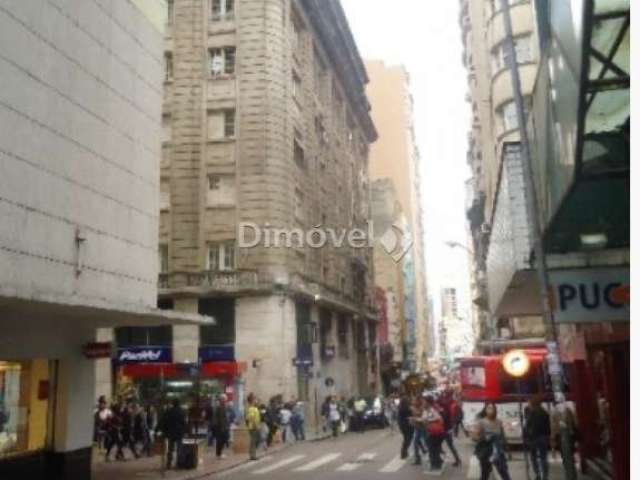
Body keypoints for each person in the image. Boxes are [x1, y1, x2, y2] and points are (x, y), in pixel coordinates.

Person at [472, 402, 512, 480]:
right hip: (485, 451)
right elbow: (476, 436)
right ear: (485, 410)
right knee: (485, 474)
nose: (491, 410)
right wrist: (484, 436)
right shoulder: (481, 422)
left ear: (495, 410)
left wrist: (507, 450)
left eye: (492, 408)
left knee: (504, 472)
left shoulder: (499, 422)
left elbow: (503, 436)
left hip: (498, 451)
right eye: (489, 408)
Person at [524, 396, 551, 480]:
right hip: (543, 437)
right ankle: (545, 476)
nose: (527, 403)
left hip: (534, 438)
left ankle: (538, 474)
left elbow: (528, 426)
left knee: (533, 457)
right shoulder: (544, 412)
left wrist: (526, 436)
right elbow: (547, 426)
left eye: (528, 402)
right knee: (543, 458)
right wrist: (548, 436)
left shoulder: (531, 413)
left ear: (532, 403)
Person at [550, 403, 578, 480]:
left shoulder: (554, 412)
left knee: (565, 458)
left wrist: (553, 443)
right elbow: (575, 422)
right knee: (571, 456)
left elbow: (553, 427)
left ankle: (569, 475)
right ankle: (573, 475)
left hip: (560, 437)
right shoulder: (568, 410)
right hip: (570, 436)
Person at [422, 396, 446, 472]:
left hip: (435, 432)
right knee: (434, 449)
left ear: (428, 403)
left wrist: (429, 421)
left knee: (432, 449)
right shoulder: (426, 410)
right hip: (431, 431)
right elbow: (424, 419)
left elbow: (440, 419)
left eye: (424, 402)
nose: (423, 403)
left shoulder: (433, 409)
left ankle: (434, 465)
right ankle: (438, 462)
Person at [162, 398, 187, 470]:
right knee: (180, 449)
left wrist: (165, 431)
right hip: (179, 433)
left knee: (170, 449)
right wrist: (185, 431)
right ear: (179, 404)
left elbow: (165, 421)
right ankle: (180, 464)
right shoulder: (182, 412)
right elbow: (184, 423)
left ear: (173, 403)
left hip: (171, 433)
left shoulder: (169, 411)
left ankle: (168, 464)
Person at [438, 392, 461, 466]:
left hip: (445, 430)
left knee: (437, 445)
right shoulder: (450, 406)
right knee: (447, 445)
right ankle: (457, 459)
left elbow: (444, 419)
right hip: (448, 429)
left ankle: (456, 459)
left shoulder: (445, 409)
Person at [212, 394, 232, 458]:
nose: (226, 400)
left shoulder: (224, 407)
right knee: (220, 440)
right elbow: (220, 418)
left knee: (223, 440)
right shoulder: (219, 407)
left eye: (226, 399)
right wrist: (222, 427)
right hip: (220, 427)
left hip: (224, 426)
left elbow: (225, 417)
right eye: (225, 399)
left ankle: (219, 453)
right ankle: (219, 454)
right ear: (221, 400)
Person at [410, 397, 427, 465]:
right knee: (416, 442)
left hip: (422, 428)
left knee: (428, 443)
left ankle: (437, 456)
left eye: (414, 400)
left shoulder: (422, 408)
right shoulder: (413, 407)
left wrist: (414, 418)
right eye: (413, 400)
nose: (413, 401)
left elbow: (423, 418)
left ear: (418, 401)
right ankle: (418, 458)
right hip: (417, 428)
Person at [398, 395, 414, 460]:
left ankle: (404, 453)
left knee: (406, 439)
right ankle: (403, 453)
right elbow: (411, 414)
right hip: (407, 425)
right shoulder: (406, 408)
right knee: (408, 439)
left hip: (403, 425)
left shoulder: (401, 407)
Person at [246, 393, 262, 460]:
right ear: (252, 400)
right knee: (254, 441)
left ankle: (252, 454)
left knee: (256, 440)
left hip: (256, 426)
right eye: (255, 399)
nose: (256, 400)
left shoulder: (254, 408)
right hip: (254, 427)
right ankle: (252, 455)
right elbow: (251, 418)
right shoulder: (251, 408)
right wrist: (255, 426)